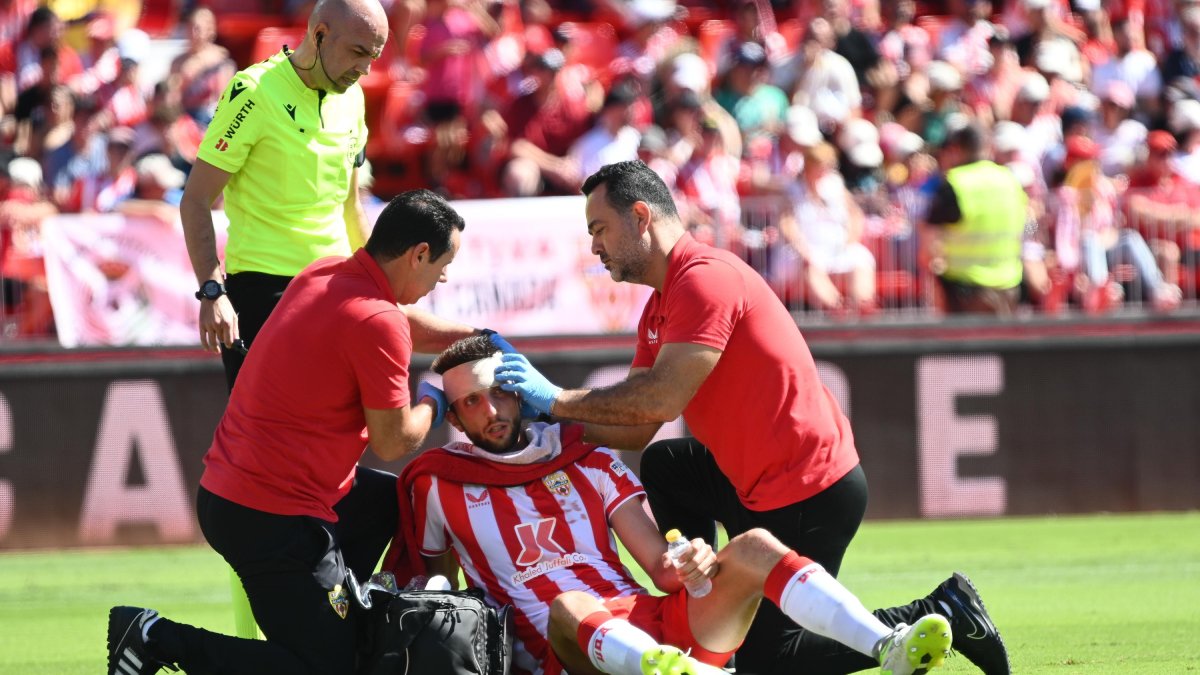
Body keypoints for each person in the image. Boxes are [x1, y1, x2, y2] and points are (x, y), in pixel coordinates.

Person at [492, 160, 1011, 675]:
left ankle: (944, 610)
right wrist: (544, 426)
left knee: (770, 663)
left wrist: (555, 399)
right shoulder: (661, 304)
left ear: (641, 217)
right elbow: (636, 428)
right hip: (757, 484)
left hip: (807, 490)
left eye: (599, 229)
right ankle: (698, 597)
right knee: (668, 465)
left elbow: (659, 400)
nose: (595, 247)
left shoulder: (704, 279)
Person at [390, 334, 953, 675]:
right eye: (471, 402)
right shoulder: (435, 484)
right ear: (454, 417)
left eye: (498, 392)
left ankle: (887, 644)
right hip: (567, 652)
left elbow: (661, 568)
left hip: (653, 629)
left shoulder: (588, 459)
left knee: (755, 547)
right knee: (568, 604)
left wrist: (692, 561)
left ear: (520, 391)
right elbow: (439, 596)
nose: (491, 411)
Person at [106, 190, 485, 675]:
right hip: (271, 516)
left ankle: (343, 608)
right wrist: (434, 394)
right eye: (443, 265)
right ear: (419, 254)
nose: (444, 278)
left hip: (239, 495)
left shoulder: (324, 273)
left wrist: (477, 338)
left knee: (394, 502)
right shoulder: (378, 321)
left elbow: (398, 322)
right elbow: (393, 442)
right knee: (330, 668)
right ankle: (154, 637)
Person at [180, 0, 388, 391]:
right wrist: (212, 292)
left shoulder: (354, 97)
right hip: (263, 295)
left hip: (336, 290)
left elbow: (350, 205)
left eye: (373, 57)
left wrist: (380, 285)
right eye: (358, 52)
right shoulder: (253, 91)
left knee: (339, 427)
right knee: (265, 431)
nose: (365, 68)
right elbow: (195, 200)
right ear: (319, 34)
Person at [923, 123, 1028, 316]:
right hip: (1009, 287)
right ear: (989, 147)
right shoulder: (1010, 180)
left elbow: (928, 244)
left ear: (956, 149)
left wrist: (934, 266)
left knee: (970, 338)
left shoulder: (955, 183)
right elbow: (1030, 225)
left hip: (966, 291)